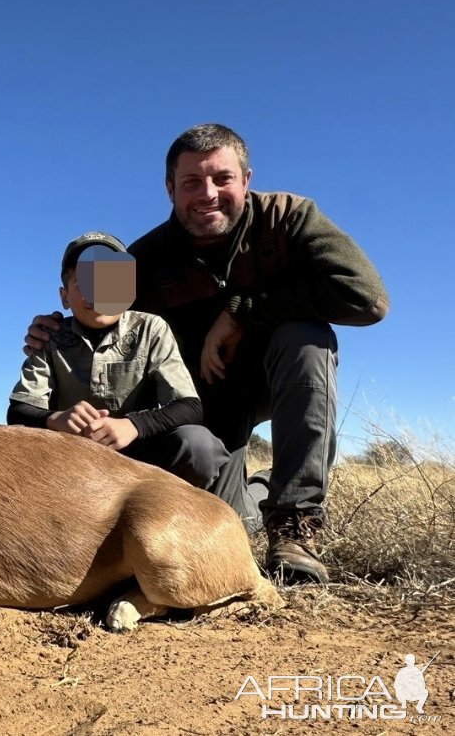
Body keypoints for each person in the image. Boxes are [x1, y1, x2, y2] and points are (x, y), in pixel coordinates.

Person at [25, 124, 389, 584]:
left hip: (280, 379)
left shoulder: (290, 218)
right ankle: (260, 493)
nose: (208, 194)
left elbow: (368, 299)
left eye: (223, 179)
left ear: (247, 179)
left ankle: (294, 527)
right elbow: (100, 316)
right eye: (192, 182)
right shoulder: (145, 257)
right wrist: (52, 330)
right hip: (201, 399)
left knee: (306, 339)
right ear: (170, 189)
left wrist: (243, 312)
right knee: (227, 516)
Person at [8, 230, 265, 532]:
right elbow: (18, 411)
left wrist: (132, 426)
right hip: (75, 464)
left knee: (199, 448)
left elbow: (189, 406)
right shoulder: (49, 337)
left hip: (142, 461)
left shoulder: (151, 328)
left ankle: (260, 487)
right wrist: (56, 419)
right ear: (65, 296)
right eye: (84, 284)